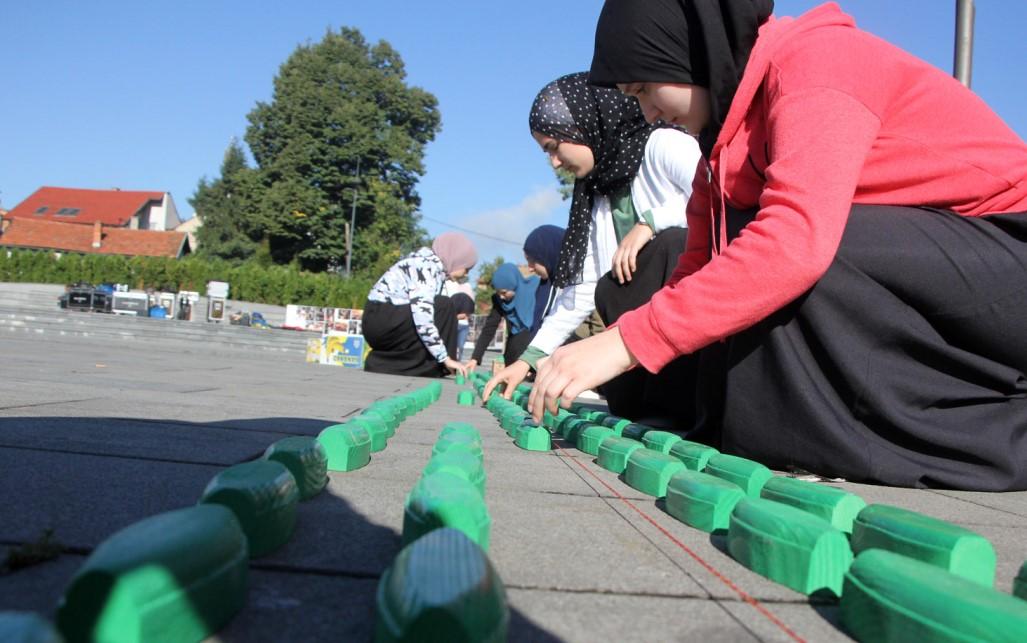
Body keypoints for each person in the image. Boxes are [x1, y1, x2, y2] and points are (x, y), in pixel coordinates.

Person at [531, 0, 1027, 491]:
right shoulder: (720, 143)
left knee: (799, 250)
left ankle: (989, 435)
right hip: (937, 271)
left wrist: (624, 343)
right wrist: (616, 347)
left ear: (689, 49)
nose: (649, 112)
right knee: (697, 313)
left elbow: (795, 243)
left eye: (645, 88)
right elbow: (697, 270)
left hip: (1008, 254)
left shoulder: (819, 61)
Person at [485, 72, 702, 425]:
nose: (554, 162)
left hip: (693, 332)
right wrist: (527, 360)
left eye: (554, 147)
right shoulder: (598, 192)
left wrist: (650, 222)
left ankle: (686, 401)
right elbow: (582, 289)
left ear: (586, 123)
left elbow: (720, 203)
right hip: (640, 343)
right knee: (605, 285)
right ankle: (650, 400)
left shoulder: (663, 144)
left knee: (669, 246)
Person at [363, 232, 476, 378]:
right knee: (443, 305)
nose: (465, 274)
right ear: (456, 259)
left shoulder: (429, 266)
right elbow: (423, 318)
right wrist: (445, 358)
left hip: (380, 318)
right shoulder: (426, 267)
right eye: (466, 268)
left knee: (442, 306)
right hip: (380, 319)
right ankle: (427, 365)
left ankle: (422, 363)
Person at [464, 263, 539, 371]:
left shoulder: (535, 290)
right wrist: (475, 358)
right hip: (514, 343)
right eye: (498, 292)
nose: (501, 297)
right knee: (510, 358)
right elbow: (489, 328)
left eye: (504, 292)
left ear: (514, 285)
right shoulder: (499, 301)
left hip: (535, 339)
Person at [450, 291, 476, 360]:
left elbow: (465, 316)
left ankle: (458, 361)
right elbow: (464, 316)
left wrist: (455, 316)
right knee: (453, 346)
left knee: (460, 346)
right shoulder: (458, 299)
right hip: (456, 325)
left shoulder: (467, 303)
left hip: (463, 326)